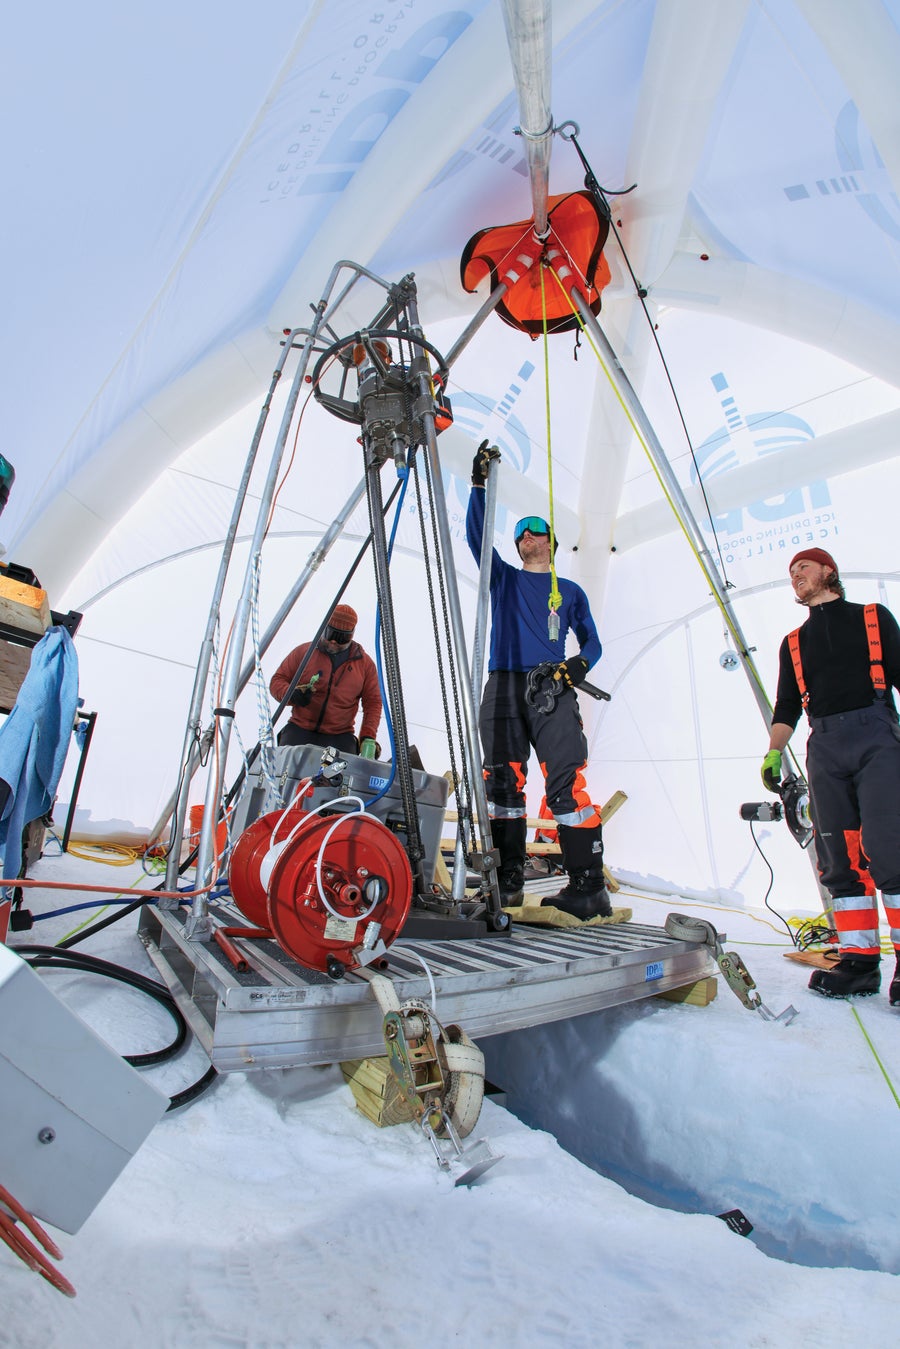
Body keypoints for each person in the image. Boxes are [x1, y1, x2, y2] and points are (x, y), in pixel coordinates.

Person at [467, 443, 608, 920]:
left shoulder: (569, 591)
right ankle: (506, 881)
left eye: (537, 530)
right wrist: (478, 486)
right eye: (521, 533)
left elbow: (593, 643)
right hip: (503, 687)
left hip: (550, 688)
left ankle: (588, 887)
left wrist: (577, 667)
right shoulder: (503, 579)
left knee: (565, 783)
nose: (528, 536)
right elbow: (475, 538)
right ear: (517, 547)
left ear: (551, 542)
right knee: (502, 784)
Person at [762, 547, 900, 1004]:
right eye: (791, 572)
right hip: (824, 748)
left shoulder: (872, 618)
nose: (796, 574)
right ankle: (859, 962)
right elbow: (786, 706)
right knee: (838, 858)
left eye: (803, 566)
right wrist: (774, 752)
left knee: (889, 848)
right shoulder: (792, 643)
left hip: (878, 739)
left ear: (828, 570)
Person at [269, 604, 382, 756]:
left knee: (339, 770)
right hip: (300, 728)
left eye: (341, 638)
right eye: (330, 634)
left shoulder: (364, 665)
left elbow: (373, 702)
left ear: (351, 636)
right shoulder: (304, 653)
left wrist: (368, 736)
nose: (333, 642)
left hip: (339, 736)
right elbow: (277, 680)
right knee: (287, 767)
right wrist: (291, 694)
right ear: (324, 628)